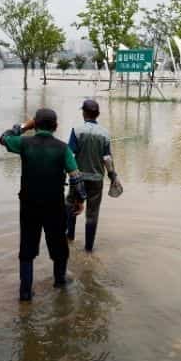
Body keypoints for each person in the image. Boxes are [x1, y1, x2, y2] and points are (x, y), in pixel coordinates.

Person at [0, 108, 87, 302]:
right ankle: (60, 281)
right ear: (55, 127)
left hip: (29, 206)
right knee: (59, 246)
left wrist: (23, 127)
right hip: (54, 206)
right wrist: (79, 200)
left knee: (27, 250)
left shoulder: (23, 143)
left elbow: (3, 138)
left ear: (35, 125)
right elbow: (75, 176)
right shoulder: (63, 148)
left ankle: (25, 293)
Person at [66, 99, 118, 252]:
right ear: (98, 115)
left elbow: (69, 154)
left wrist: (63, 173)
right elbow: (107, 158)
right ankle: (89, 248)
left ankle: (70, 238)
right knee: (92, 214)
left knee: (72, 206)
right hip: (96, 180)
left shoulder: (77, 130)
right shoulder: (105, 134)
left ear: (84, 113)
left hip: (78, 179)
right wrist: (112, 176)